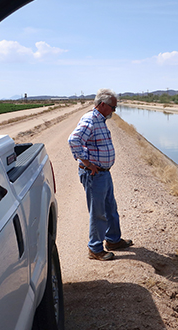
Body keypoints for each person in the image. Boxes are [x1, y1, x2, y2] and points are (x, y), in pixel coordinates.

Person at [68, 88, 133, 261]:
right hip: (94, 175)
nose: (114, 111)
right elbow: (73, 140)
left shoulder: (100, 119)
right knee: (98, 213)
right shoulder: (90, 119)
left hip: (104, 173)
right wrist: (88, 163)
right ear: (102, 104)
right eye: (113, 107)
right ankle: (95, 249)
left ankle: (113, 240)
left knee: (111, 209)